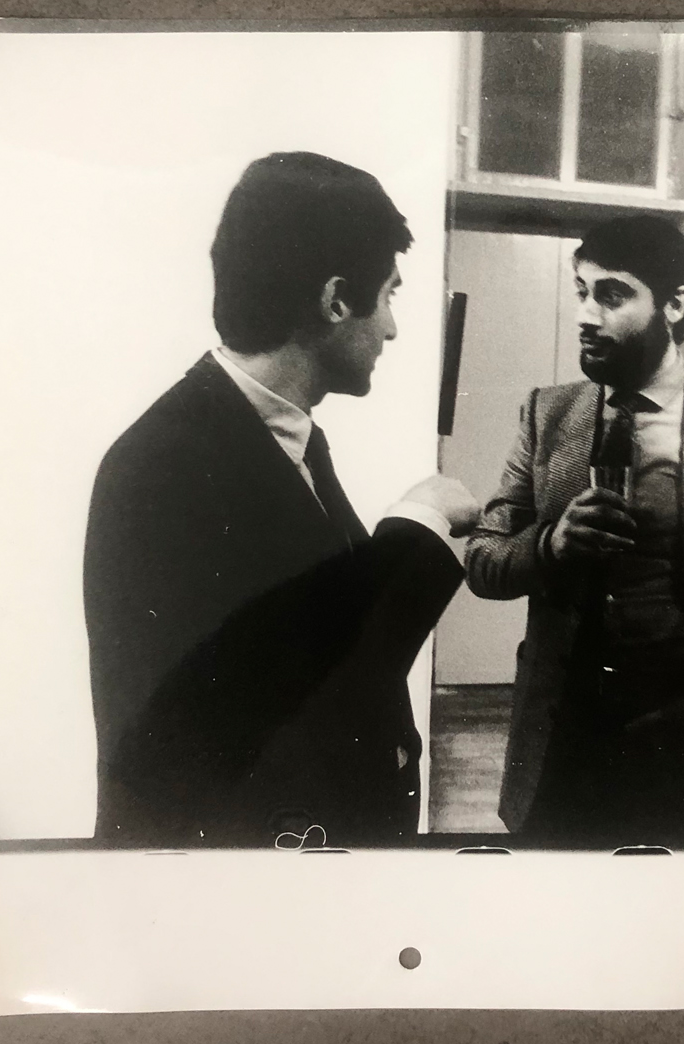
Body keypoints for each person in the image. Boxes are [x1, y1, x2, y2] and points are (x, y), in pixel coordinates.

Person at [84, 152, 480, 849]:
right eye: (389, 295)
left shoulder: (287, 436)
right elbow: (292, 682)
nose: (392, 328)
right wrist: (415, 530)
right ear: (336, 300)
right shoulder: (160, 464)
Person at [465, 215, 684, 844]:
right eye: (581, 291)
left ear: (674, 305)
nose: (586, 315)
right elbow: (483, 561)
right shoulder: (547, 413)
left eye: (612, 295)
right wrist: (551, 545)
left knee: (674, 895)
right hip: (564, 727)